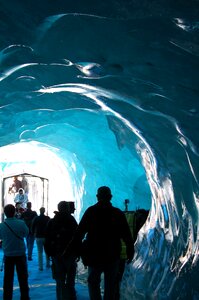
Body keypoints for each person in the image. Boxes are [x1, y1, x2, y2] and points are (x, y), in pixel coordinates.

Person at [72, 186, 134, 300]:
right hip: (112, 254)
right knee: (111, 284)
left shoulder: (91, 211)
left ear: (97, 197)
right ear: (110, 197)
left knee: (93, 282)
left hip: (94, 255)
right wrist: (130, 249)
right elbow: (126, 234)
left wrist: (76, 250)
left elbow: (79, 233)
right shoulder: (117, 213)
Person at [44, 201, 78, 300]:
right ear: (67, 209)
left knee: (60, 282)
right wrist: (78, 253)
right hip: (70, 256)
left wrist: (50, 254)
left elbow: (47, 240)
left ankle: (61, 298)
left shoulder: (52, 222)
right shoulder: (72, 221)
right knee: (70, 282)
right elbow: (77, 237)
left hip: (56, 255)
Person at [0, 204, 30, 300]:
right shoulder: (21, 223)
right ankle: (25, 297)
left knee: (8, 279)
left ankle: (7, 297)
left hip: (8, 255)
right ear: (15, 212)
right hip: (20, 254)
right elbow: (26, 234)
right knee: (23, 278)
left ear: (5, 213)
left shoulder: (2, 226)